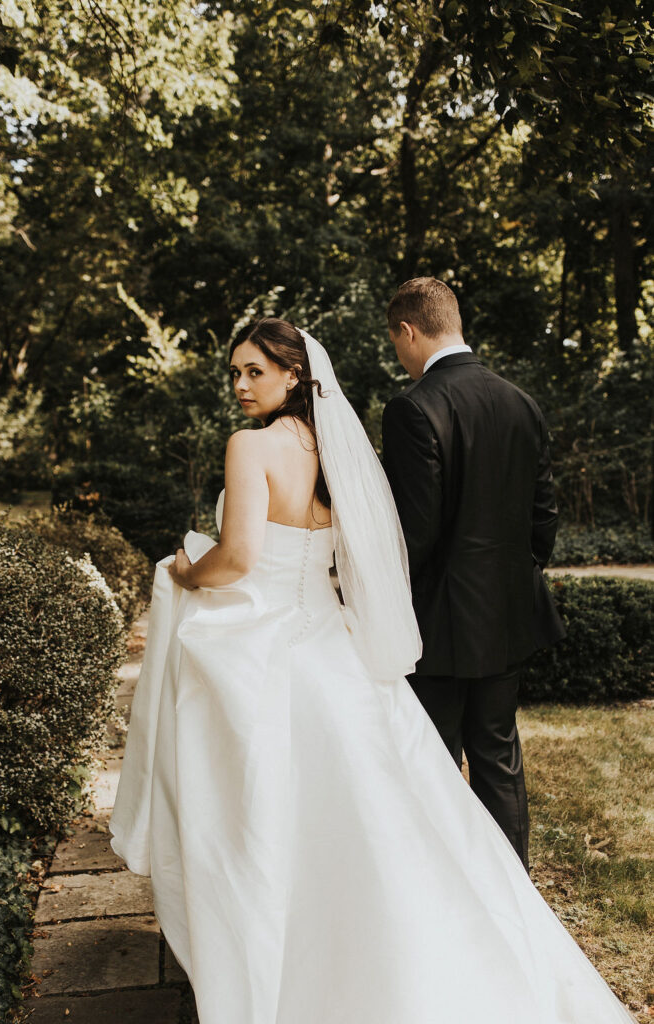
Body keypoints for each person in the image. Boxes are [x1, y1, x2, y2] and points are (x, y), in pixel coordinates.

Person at [109, 317, 633, 1024]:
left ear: (294, 374)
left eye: (253, 370)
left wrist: (183, 567)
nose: (238, 384)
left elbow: (236, 558)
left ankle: (278, 959)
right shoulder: (333, 444)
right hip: (332, 644)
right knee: (388, 804)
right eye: (233, 372)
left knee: (261, 814)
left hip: (266, 647)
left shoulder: (250, 446)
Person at [382, 277, 566, 870]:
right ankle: (513, 888)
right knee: (497, 752)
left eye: (395, 342)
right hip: (509, 613)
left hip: (439, 621)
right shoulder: (521, 401)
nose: (398, 355)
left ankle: (447, 893)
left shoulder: (413, 408)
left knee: (432, 760)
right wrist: (510, 579)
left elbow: (416, 532)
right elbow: (544, 519)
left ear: (408, 330)